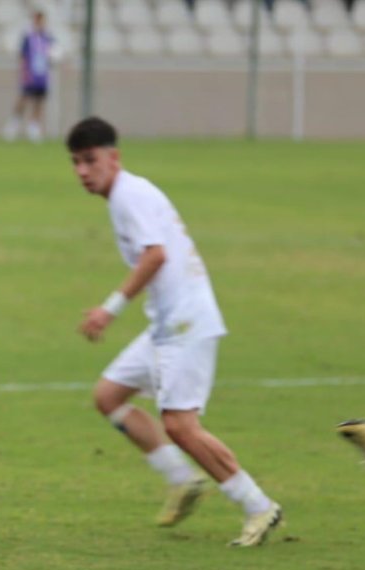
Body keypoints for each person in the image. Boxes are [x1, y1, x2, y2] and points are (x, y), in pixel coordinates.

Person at [66, 116, 282, 546]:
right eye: (76, 163)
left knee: (181, 426)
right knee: (108, 396)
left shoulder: (128, 195)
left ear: (114, 157)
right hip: (167, 323)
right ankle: (182, 478)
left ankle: (258, 506)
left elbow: (155, 256)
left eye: (90, 160)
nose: (83, 171)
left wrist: (109, 310)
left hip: (187, 323)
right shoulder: (126, 194)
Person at [2, 10, 54, 143]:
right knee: (23, 99)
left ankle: (34, 128)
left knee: (39, 101)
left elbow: (54, 53)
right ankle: (13, 124)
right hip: (30, 74)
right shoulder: (28, 38)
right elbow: (23, 56)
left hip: (42, 75)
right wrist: (24, 72)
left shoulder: (48, 38)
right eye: (38, 20)